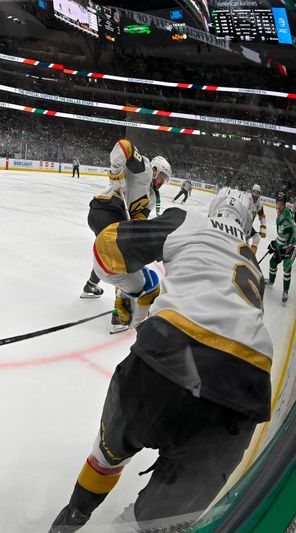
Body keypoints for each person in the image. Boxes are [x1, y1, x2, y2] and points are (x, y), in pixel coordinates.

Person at [52, 187, 272, 532]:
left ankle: (71, 520)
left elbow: (105, 249)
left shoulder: (190, 220)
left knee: (106, 455)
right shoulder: (253, 268)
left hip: (166, 359)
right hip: (244, 394)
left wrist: (141, 288)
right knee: (148, 527)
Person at [80, 139, 170, 335]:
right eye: (161, 175)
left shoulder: (152, 198)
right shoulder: (143, 168)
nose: (161, 182)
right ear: (154, 168)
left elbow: (138, 221)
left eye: (165, 180)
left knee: (109, 257)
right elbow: (122, 146)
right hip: (107, 210)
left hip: (104, 215)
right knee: (123, 258)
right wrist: (116, 174)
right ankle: (119, 316)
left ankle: (90, 285)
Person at [267, 191, 296, 304]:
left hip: (291, 246)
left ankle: (285, 291)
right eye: (277, 202)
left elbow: (283, 239)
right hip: (283, 245)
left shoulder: (285, 216)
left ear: (284, 204)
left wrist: (273, 245)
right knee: (273, 262)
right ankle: (271, 281)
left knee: (286, 267)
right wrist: (275, 244)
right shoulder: (282, 213)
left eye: (281, 203)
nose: (278, 205)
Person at [247, 183, 267, 254]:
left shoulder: (260, 203)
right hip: (241, 224)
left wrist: (263, 227)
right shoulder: (247, 200)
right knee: (244, 242)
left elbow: (262, 216)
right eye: (254, 192)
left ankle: (251, 256)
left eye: (258, 193)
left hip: (249, 226)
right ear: (252, 192)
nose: (256, 195)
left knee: (257, 237)